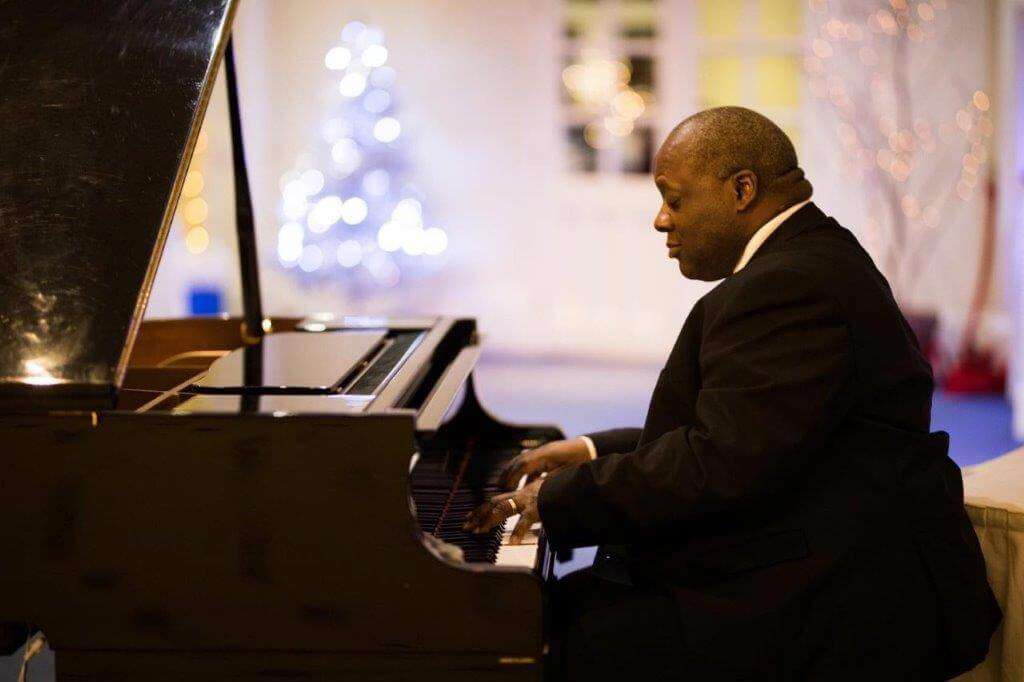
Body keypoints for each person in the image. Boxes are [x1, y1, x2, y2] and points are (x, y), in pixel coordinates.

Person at [464, 107, 1001, 681]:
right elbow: (746, 430)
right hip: (815, 540)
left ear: (742, 190)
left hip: (839, 593)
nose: (660, 221)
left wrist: (561, 498)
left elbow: (721, 463)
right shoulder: (809, 254)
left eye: (675, 199)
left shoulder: (789, 285)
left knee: (567, 634)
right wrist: (596, 452)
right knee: (567, 605)